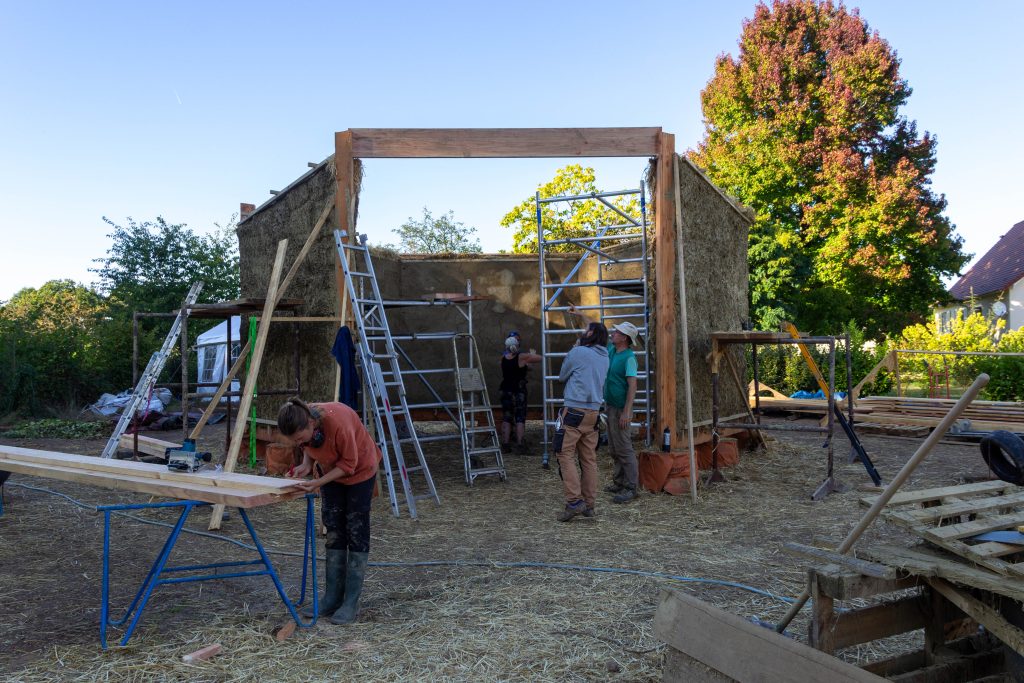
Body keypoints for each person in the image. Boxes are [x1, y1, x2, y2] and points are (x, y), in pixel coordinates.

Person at [278, 397, 382, 625]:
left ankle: (351, 602)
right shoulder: (302, 417)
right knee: (333, 528)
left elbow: (349, 465)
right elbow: (308, 445)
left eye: (299, 438)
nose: (298, 443)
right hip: (331, 471)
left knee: (356, 530)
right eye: (294, 441)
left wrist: (317, 483)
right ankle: (332, 597)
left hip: (360, 470)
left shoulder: (339, 423)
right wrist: (306, 465)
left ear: (310, 424)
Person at [568, 305, 642, 504]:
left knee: (624, 447)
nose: (613, 333)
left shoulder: (629, 358)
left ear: (624, 338)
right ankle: (619, 481)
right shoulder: (611, 350)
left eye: (617, 332)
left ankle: (631, 487)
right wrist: (580, 314)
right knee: (614, 447)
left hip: (620, 408)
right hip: (610, 405)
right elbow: (595, 329)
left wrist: (627, 411)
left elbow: (632, 385)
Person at [554, 320, 609, 522]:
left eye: (587, 330)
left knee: (564, 454)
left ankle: (574, 501)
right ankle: (589, 504)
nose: (583, 332)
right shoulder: (605, 357)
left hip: (574, 410)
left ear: (591, 333)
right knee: (588, 459)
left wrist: (574, 348)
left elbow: (562, 376)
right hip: (593, 412)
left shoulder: (578, 352)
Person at [499, 331, 542, 454]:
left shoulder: (503, 357)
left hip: (505, 390)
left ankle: (505, 445)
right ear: (517, 344)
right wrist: (531, 355)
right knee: (520, 418)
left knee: (507, 417)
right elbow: (540, 358)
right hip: (518, 391)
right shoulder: (521, 356)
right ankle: (520, 445)